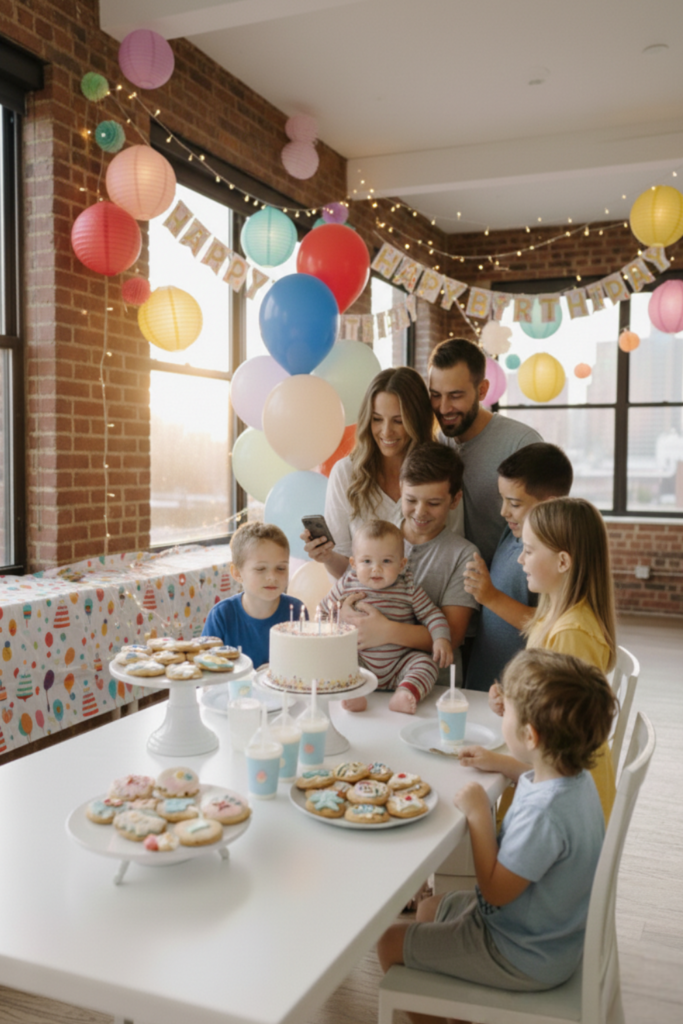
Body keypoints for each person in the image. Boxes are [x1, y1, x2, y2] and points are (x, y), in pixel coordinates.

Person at [377, 649, 617, 1015]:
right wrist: (502, 764)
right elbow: (534, 777)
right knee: (427, 908)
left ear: (531, 736)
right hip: (546, 933)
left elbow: (495, 890)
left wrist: (479, 817)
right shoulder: (572, 779)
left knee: (390, 942)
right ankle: (462, 1014)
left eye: (509, 712)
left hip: (518, 951)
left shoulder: (544, 816)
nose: (502, 714)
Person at [484, 497, 618, 823]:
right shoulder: (549, 618)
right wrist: (516, 700)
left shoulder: (573, 633)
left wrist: (502, 765)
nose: (520, 560)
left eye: (529, 551)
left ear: (562, 562)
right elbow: (547, 705)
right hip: (550, 778)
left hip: (568, 801)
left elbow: (566, 739)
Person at [302, 366, 462, 579]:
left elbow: (455, 551)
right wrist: (327, 556)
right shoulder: (345, 473)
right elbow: (343, 571)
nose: (386, 432)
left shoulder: (441, 471)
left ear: (417, 420)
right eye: (377, 419)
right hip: (361, 604)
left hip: (429, 606)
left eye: (398, 420)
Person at [341, 442, 480, 687]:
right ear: (401, 488)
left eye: (434, 503)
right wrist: (343, 614)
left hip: (433, 684)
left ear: (455, 499)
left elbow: (454, 635)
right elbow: (347, 589)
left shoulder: (464, 555)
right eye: (411, 500)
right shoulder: (375, 538)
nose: (420, 512)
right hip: (367, 681)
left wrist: (385, 631)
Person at [464, 443, 574, 693]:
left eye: (514, 503)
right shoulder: (510, 533)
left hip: (521, 692)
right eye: (502, 500)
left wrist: (490, 597)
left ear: (550, 504)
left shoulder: (553, 557)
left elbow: (549, 623)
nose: (503, 512)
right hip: (488, 684)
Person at [319, 519, 453, 715]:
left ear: (401, 564)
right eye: (367, 561)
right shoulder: (347, 584)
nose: (376, 569)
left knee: (426, 664)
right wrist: (332, 632)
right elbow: (323, 611)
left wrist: (441, 639)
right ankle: (353, 691)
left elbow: (432, 614)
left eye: (386, 561)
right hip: (360, 662)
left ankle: (406, 692)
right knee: (337, 661)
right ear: (353, 563)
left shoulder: (408, 587)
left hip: (401, 663)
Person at [428, 338, 542, 566]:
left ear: (482, 391)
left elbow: (546, 531)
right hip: (453, 586)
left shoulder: (521, 444)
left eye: (455, 395)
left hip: (509, 586)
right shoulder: (436, 444)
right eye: (436, 395)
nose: (443, 408)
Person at [202, 522, 307, 669]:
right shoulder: (221, 616)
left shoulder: (296, 610)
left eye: (281, 568)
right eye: (260, 569)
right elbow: (205, 669)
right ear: (237, 573)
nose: (272, 577)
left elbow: (304, 665)